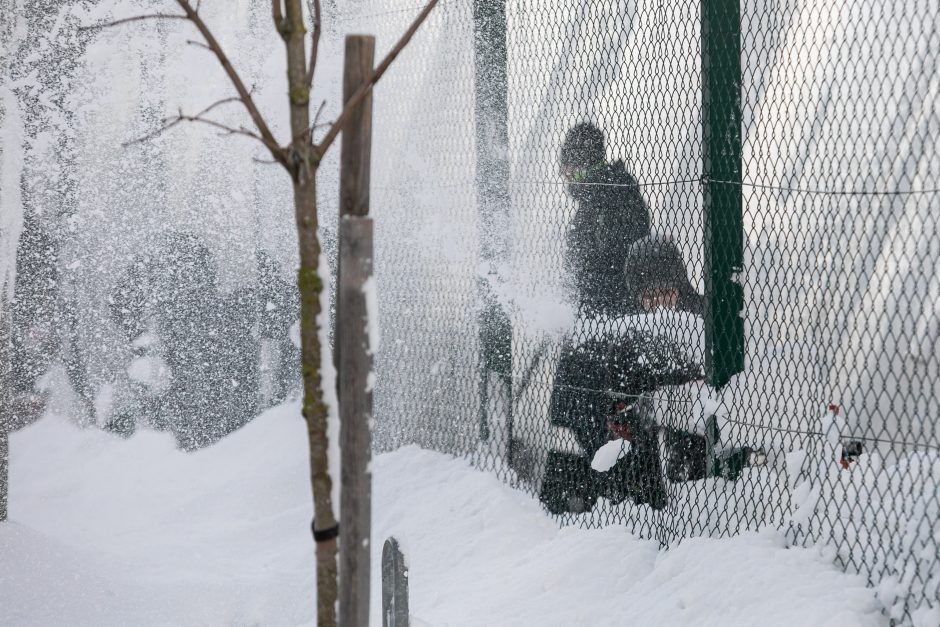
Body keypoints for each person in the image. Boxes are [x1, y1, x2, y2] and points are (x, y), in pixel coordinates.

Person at [541, 235, 707, 513]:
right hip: (650, 440)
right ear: (636, 296)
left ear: (679, 285)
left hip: (694, 434)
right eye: (648, 296)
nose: (659, 303)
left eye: (666, 292)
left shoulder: (700, 317)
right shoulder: (629, 333)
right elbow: (618, 393)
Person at [560, 122, 650, 316]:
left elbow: (611, 260)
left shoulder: (609, 197)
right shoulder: (600, 197)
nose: (563, 173)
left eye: (567, 165)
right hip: (599, 307)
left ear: (581, 164)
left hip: (609, 309)